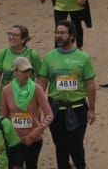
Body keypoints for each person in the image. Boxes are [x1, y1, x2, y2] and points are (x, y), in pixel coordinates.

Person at [43, 20, 96, 169]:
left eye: (62, 33)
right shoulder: (49, 57)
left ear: (72, 35)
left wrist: (92, 109)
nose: (58, 36)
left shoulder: (83, 57)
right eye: (57, 33)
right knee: (60, 146)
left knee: (76, 145)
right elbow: (41, 84)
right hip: (55, 109)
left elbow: (90, 84)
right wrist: (39, 108)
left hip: (77, 108)